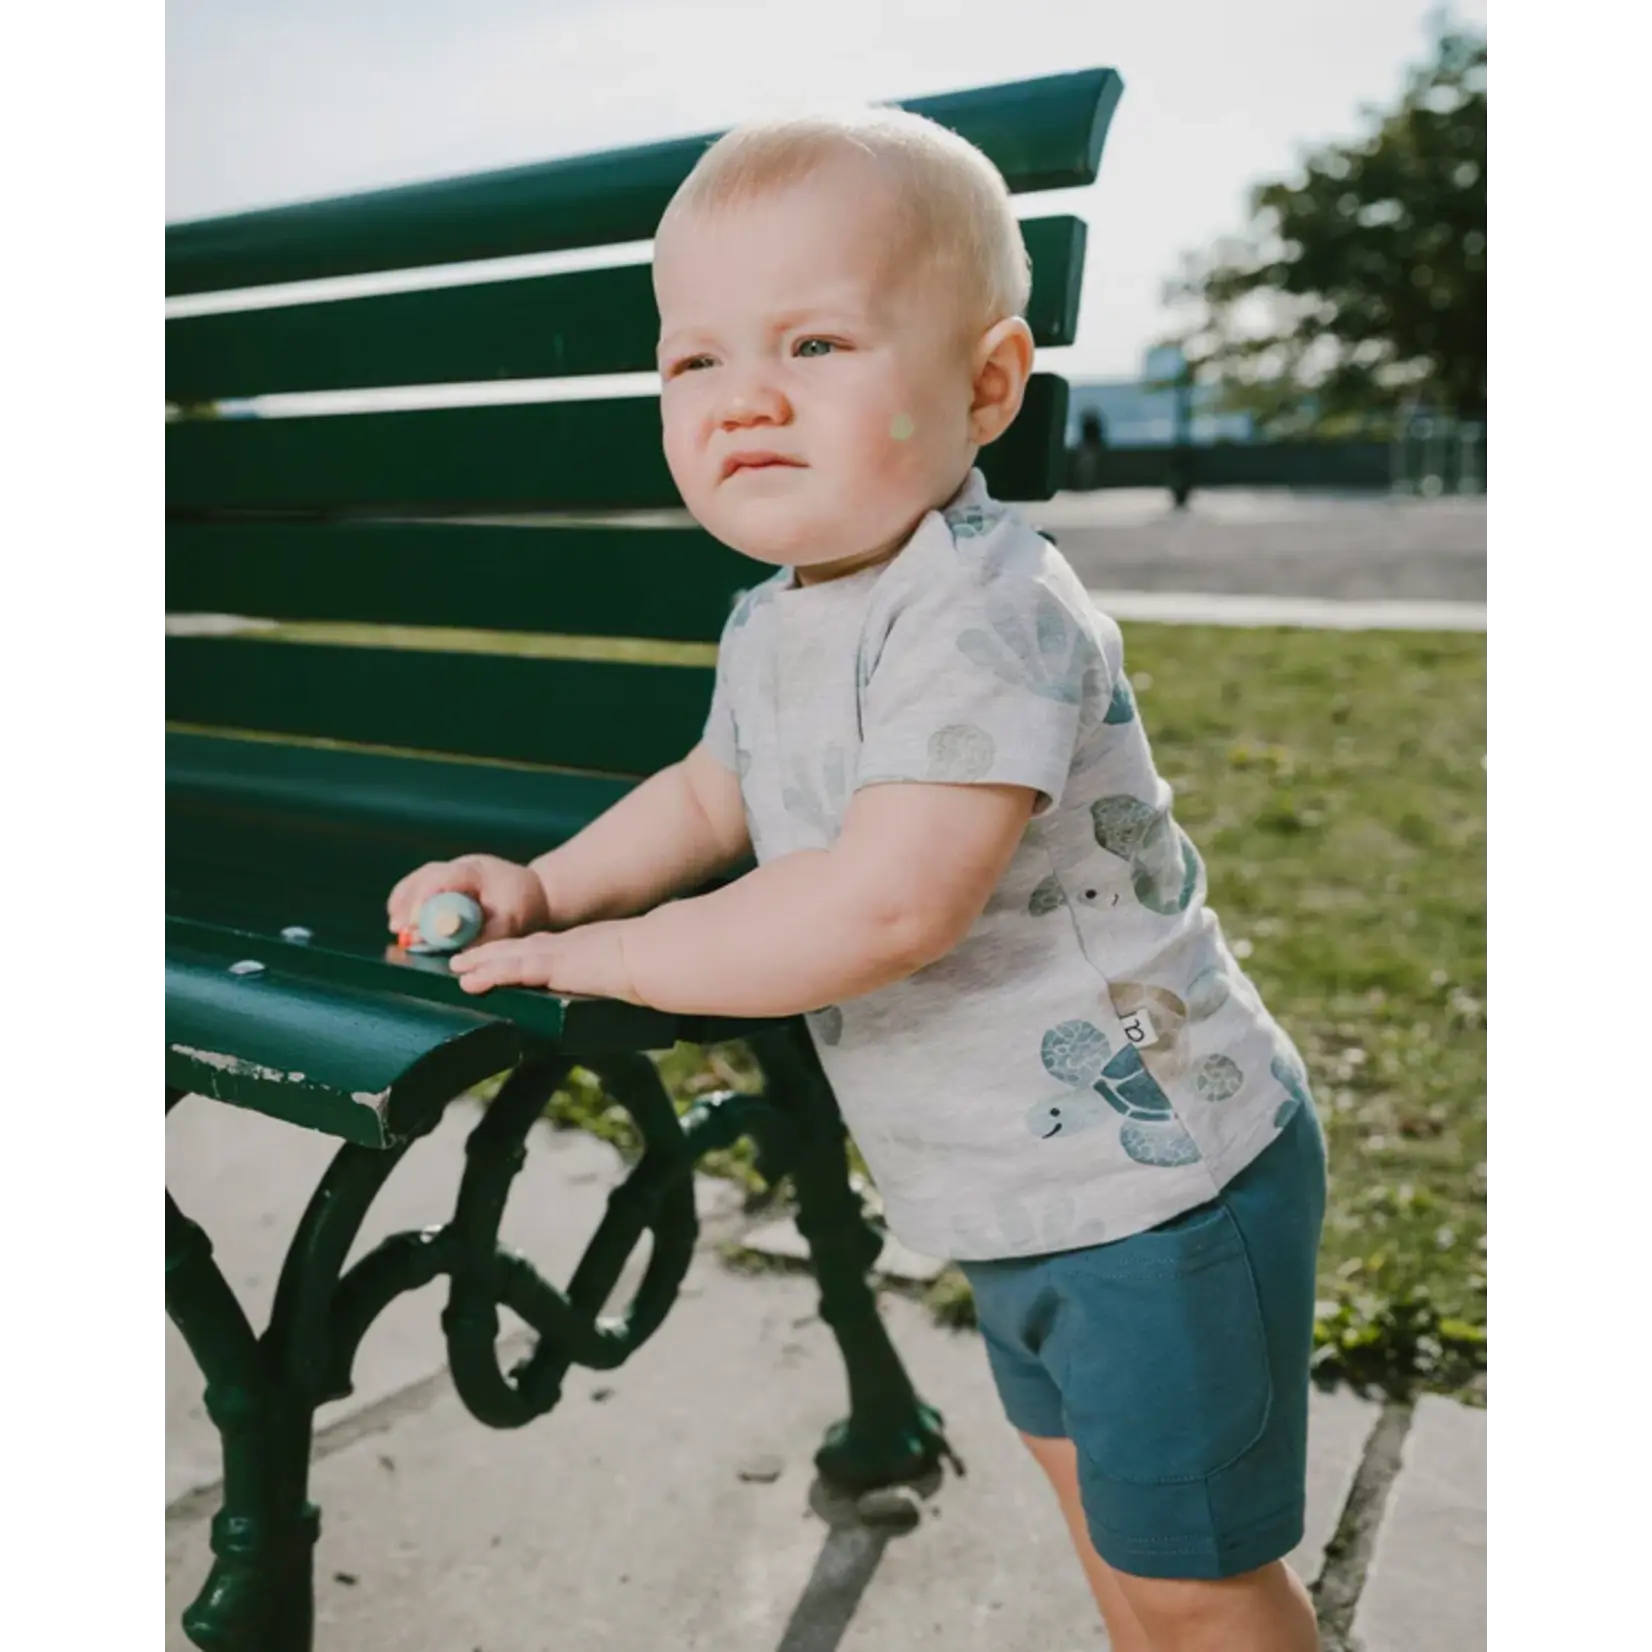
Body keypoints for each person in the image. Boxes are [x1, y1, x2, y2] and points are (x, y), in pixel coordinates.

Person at [387, 105, 1325, 1652]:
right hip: (1012, 1187)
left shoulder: (985, 607)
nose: (745, 396)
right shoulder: (779, 616)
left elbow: (893, 903)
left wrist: (620, 958)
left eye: (814, 343)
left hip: (1155, 1186)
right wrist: (549, 890)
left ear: (987, 386)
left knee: (1198, 1586)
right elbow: (714, 791)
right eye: (695, 360)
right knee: (1118, 1544)